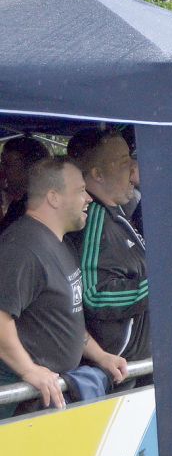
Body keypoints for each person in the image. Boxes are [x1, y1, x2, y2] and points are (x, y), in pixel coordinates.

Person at [0, 157, 128, 418]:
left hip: (49, 394)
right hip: (21, 398)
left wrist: (101, 356)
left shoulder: (60, 242)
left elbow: (66, 315)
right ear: (54, 197)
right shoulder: (22, 248)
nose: (89, 198)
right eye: (81, 190)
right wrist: (28, 370)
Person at [64, 128, 151, 373]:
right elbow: (94, 295)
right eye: (124, 162)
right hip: (115, 370)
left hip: (133, 365)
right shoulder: (93, 219)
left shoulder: (117, 214)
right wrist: (161, 287)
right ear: (97, 174)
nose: (133, 168)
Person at [0, 135, 51, 235]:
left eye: (7, 164)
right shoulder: (18, 205)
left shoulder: (36, 207)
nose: (2, 170)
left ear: (31, 168)